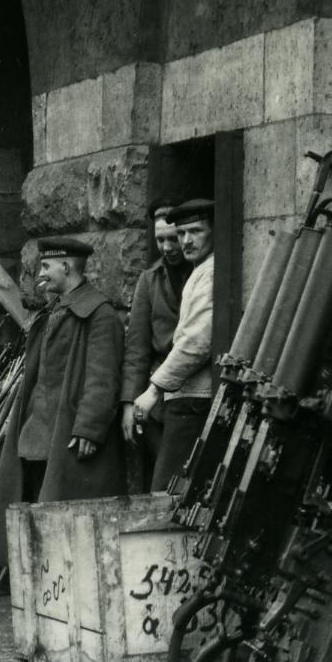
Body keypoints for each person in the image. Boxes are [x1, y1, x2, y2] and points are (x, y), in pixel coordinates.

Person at [0, 236, 128, 569]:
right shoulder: (55, 310)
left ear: (67, 266)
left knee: (70, 523)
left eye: (46, 266)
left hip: (71, 436)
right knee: (38, 514)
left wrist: (90, 429)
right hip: (38, 435)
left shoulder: (99, 314)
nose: (40, 274)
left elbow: (103, 378)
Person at [133, 198, 218, 484]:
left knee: (167, 489)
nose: (186, 241)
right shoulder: (200, 270)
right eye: (182, 233)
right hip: (183, 396)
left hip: (193, 397)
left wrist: (154, 390)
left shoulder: (211, 273)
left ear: (214, 230)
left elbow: (196, 343)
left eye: (195, 231)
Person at [120, 206, 193, 491]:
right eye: (160, 240)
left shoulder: (202, 273)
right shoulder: (149, 280)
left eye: (173, 238)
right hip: (158, 402)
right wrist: (128, 404)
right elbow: (137, 349)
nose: (167, 247)